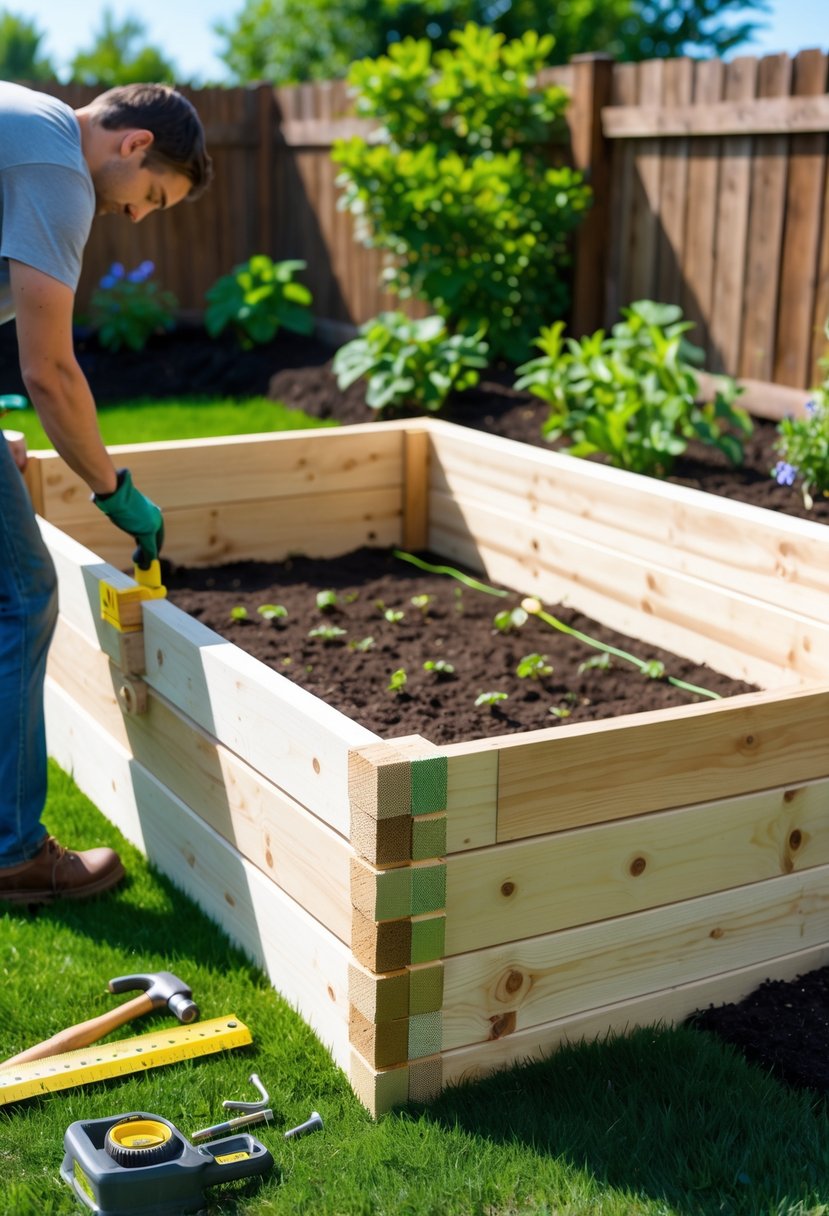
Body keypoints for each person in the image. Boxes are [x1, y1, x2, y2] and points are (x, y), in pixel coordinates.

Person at [0, 81, 212, 905]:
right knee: (22, 593)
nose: (137, 218)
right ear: (132, 146)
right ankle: (14, 853)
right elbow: (49, 371)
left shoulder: (24, 124)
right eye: (153, 196)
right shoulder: (54, 157)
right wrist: (115, 491)